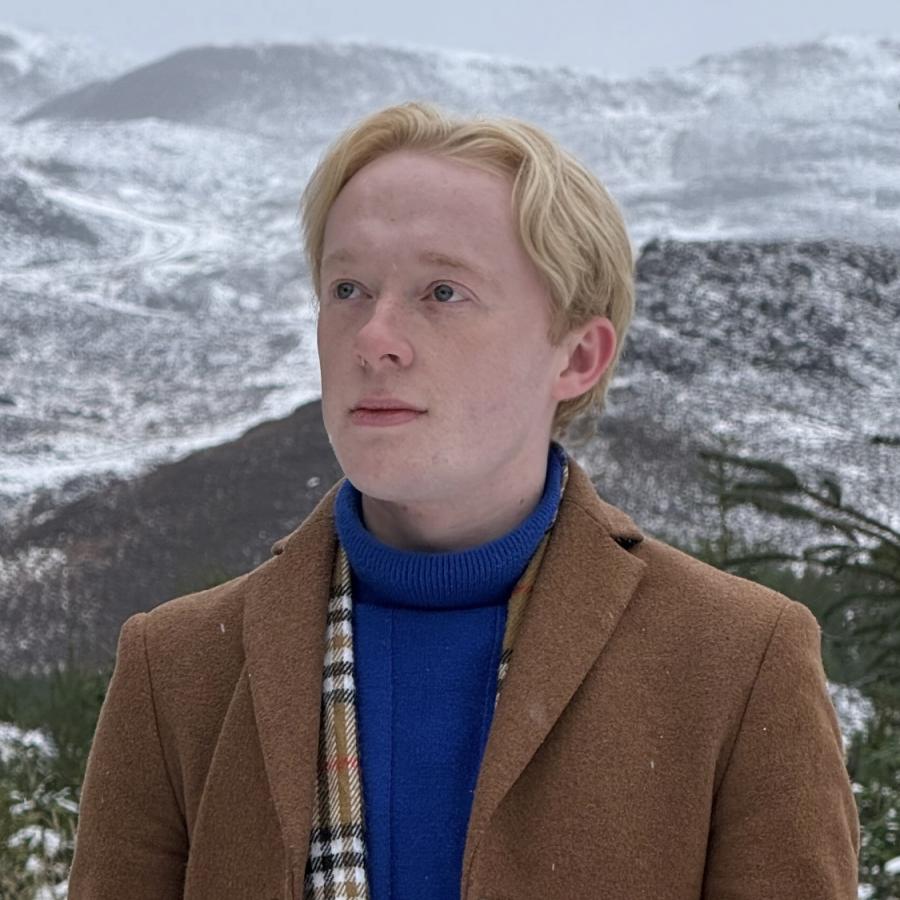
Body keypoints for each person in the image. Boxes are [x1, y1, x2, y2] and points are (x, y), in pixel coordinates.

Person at [68, 101, 860, 900]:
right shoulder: (176, 670)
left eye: (442, 292)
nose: (374, 336)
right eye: (348, 287)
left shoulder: (737, 662)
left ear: (578, 357)